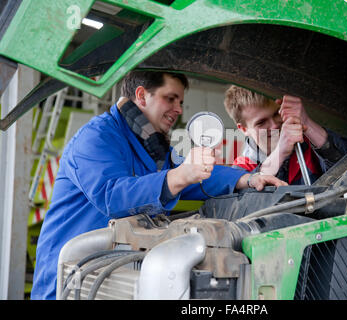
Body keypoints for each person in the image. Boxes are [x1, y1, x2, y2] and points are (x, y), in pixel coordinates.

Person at [31, 71, 286, 300]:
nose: (178, 109)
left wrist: (245, 179)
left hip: (114, 277)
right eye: (171, 98)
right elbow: (112, 196)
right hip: (70, 281)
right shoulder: (96, 137)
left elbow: (192, 176)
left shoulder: (151, 145)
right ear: (142, 95)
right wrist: (179, 176)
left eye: (181, 102)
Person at [223, 85, 347, 184]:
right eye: (261, 122)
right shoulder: (242, 170)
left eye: (276, 114)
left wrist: (307, 123)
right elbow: (245, 204)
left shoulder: (310, 142)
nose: (274, 125)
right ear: (243, 129)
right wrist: (280, 153)